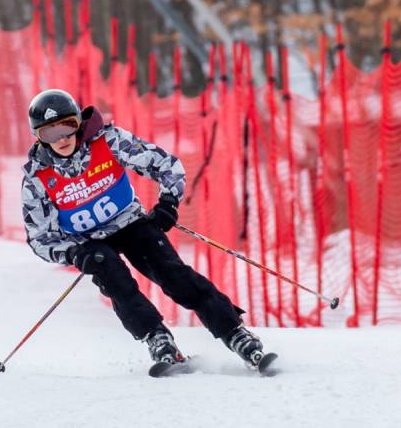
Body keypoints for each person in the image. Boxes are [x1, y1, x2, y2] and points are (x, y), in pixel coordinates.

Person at [21, 88, 268, 369]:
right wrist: (73, 253)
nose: (62, 139)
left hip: (130, 223)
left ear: (79, 122)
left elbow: (166, 165)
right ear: (38, 137)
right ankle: (157, 337)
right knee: (114, 278)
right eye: (50, 133)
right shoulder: (38, 178)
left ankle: (234, 332)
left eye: (68, 127)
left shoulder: (107, 141)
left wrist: (168, 203)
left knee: (174, 276)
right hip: (90, 242)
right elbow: (40, 237)